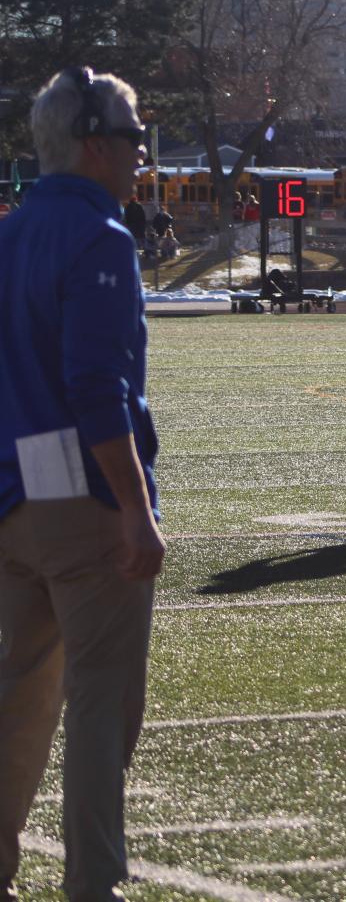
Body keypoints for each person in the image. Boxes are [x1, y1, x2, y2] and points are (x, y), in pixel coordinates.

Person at [0, 67, 165, 902]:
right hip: (82, 504)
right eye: (134, 135)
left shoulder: (11, 231)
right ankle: (94, 886)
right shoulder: (101, 237)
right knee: (100, 713)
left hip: (10, 497)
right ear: (96, 142)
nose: (141, 153)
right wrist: (135, 510)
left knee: (15, 706)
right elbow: (99, 388)